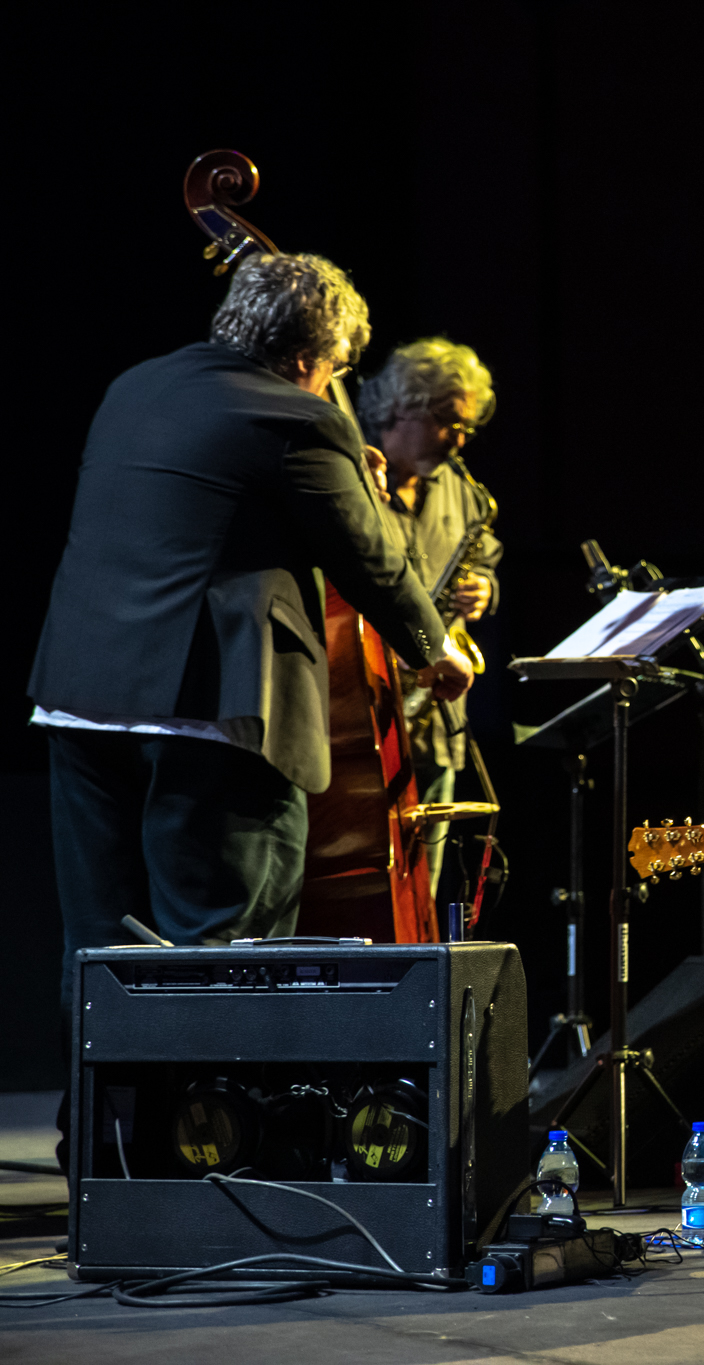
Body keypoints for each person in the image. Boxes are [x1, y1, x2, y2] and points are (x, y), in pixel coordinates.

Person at [28, 253, 473, 1064]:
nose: (332, 385)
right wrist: (435, 648)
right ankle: (207, 1160)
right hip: (211, 712)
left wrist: (344, 475)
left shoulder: (135, 386)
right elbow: (369, 560)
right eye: (335, 368)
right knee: (223, 944)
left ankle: (103, 1156)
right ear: (310, 358)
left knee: (98, 949)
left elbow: (211, 506)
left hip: (80, 698)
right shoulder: (300, 417)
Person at [355, 339, 503, 901]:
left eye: (467, 429)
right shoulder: (353, 481)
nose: (460, 440)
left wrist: (484, 589)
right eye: (447, 422)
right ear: (401, 406)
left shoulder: (463, 492)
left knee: (422, 889)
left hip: (437, 718)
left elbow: (485, 555)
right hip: (366, 716)